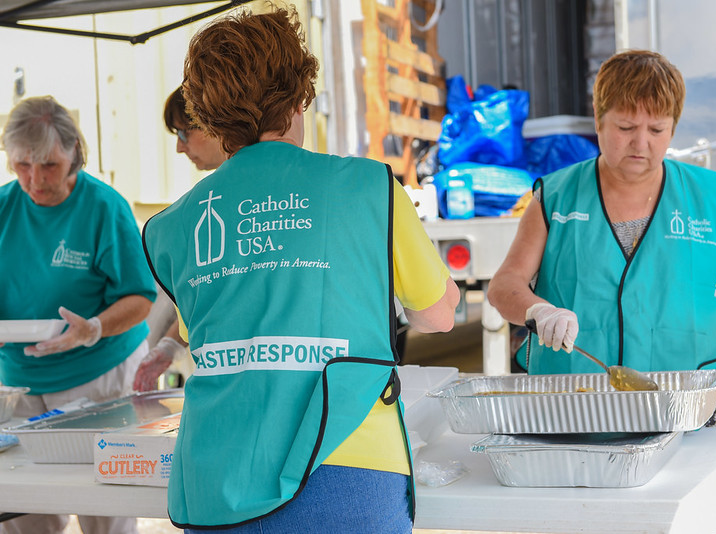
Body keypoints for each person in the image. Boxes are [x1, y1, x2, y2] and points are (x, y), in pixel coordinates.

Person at [142, 4, 459, 533]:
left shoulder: (171, 227)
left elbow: (211, 340)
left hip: (216, 477)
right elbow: (439, 315)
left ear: (209, 113)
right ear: (299, 95)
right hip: (348, 464)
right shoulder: (368, 187)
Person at [487, 49, 716, 427]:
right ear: (598, 120)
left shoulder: (708, 197)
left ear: (673, 129)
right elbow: (504, 285)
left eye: (657, 130)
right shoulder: (557, 196)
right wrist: (538, 310)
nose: (640, 143)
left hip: (686, 409)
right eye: (626, 128)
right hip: (572, 405)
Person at [0, 95, 157, 534]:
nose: (34, 180)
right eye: (20, 166)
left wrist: (95, 328)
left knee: (104, 511)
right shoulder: (3, 207)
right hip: (21, 384)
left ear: (75, 154)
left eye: (47, 165)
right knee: (24, 513)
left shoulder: (104, 207)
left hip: (99, 377)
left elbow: (140, 298)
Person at [133, 87, 227, 392]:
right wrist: (169, 346)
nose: (178, 147)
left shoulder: (227, 203)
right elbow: (205, 293)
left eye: (183, 133)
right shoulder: (210, 199)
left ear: (213, 123)